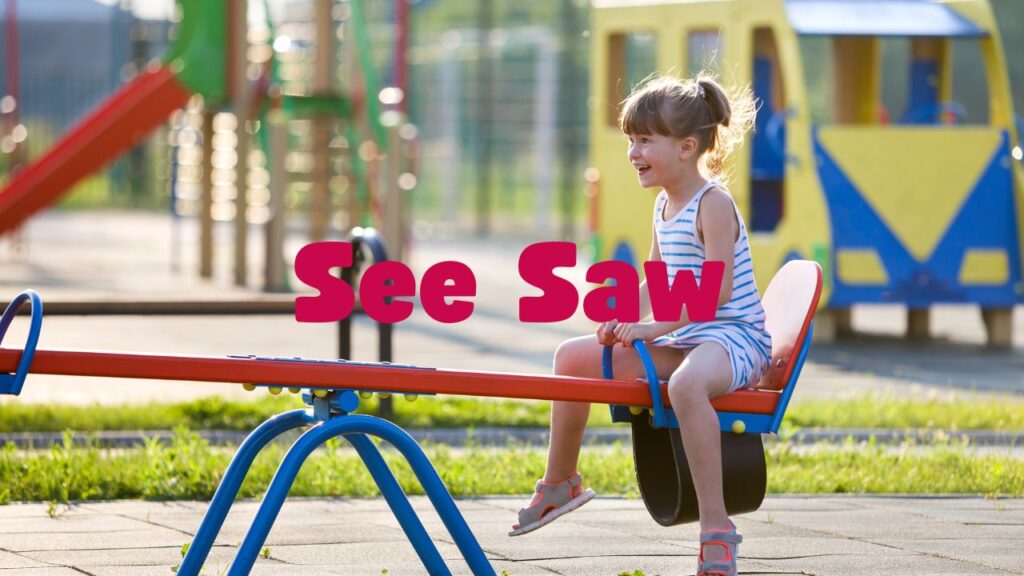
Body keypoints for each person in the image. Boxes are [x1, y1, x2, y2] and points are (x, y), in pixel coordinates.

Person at [509, 73, 769, 576]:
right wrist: (628, 315)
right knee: (571, 357)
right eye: (631, 140)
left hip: (734, 335)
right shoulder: (663, 205)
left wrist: (655, 328)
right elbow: (658, 279)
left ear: (687, 147)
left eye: (646, 140)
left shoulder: (712, 204)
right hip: (691, 333)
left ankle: (717, 528)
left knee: (688, 385)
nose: (633, 151)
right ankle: (561, 483)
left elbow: (715, 294)